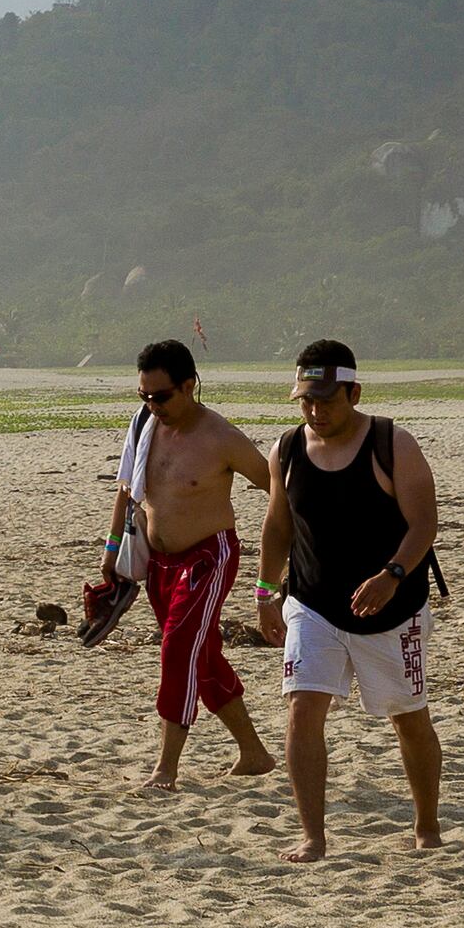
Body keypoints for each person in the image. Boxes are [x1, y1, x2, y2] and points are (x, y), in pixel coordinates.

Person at [252, 339, 446, 858]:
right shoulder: (286, 450)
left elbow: (424, 522)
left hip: (392, 611)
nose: (315, 411)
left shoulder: (392, 444)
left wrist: (392, 575)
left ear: (354, 392)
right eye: (306, 401)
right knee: (301, 709)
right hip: (312, 605)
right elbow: (277, 524)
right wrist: (266, 591)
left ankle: (426, 824)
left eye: (327, 400)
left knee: (409, 717)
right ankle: (312, 835)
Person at [110, 340, 277, 793]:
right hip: (159, 562)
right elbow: (127, 490)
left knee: (179, 648)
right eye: (143, 396)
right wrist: (112, 553)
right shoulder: (145, 425)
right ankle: (255, 753)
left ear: (189, 386)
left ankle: (165, 769)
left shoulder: (222, 437)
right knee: (202, 657)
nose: (152, 405)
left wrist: (280, 572)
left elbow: (277, 492)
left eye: (161, 396)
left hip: (208, 557)